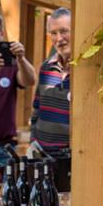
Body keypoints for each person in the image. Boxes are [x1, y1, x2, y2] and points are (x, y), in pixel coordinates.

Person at [0, 14, 36, 163]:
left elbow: (29, 80)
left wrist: (21, 58)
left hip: (3, 144)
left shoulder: (9, 62)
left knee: (7, 178)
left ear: (2, 35)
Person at [30, 8, 72, 156]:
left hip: (70, 157)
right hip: (41, 154)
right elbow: (37, 107)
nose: (59, 39)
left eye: (64, 31)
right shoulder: (46, 67)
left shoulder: (85, 71)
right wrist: (33, 140)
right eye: (53, 33)